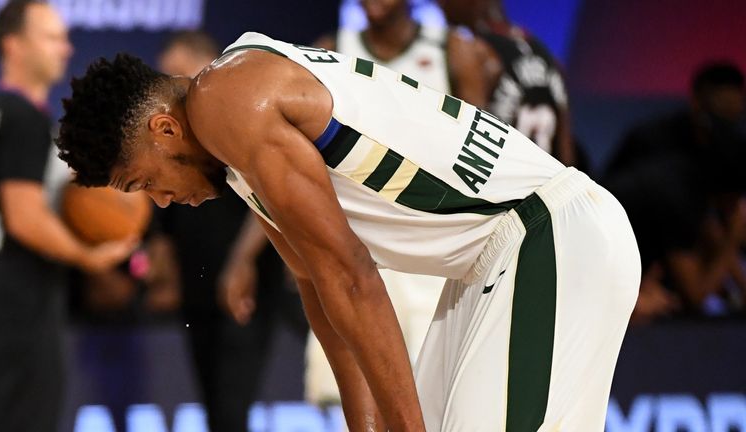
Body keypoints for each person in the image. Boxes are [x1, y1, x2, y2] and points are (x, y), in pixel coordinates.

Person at [56, 32, 641, 431]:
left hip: (544, 233)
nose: (162, 201)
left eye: (141, 183)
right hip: (489, 263)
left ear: (164, 128)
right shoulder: (230, 139)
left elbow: (354, 276)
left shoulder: (225, 100)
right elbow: (316, 282)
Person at [304, 0, 486, 406]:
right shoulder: (333, 48)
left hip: (428, 247)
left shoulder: (451, 49)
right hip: (358, 241)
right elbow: (296, 160)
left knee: (434, 391)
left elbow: (483, 157)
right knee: (348, 391)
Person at [0, 1, 133, 431]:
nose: (66, 49)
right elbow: (24, 217)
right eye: (51, 37)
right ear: (14, 46)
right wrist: (91, 258)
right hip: (16, 302)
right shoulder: (22, 119)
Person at [155, 31, 308, 431]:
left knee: (229, 407)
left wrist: (242, 261)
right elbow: (164, 218)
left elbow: (269, 194)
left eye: (175, 75)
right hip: (196, 284)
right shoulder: (175, 139)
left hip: (247, 281)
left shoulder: (238, 114)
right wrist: (164, 268)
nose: (167, 89)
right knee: (214, 409)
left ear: (207, 67)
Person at [603, 62, 746, 321]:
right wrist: (733, 238)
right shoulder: (668, 173)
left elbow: (705, 227)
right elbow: (694, 297)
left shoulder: (691, 174)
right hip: (601, 271)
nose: (728, 118)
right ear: (697, 102)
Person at [439, 0, 578, 167]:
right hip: (545, 183)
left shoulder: (474, 52)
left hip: (499, 183)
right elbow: (566, 145)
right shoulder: (542, 50)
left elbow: (471, 141)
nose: (440, 4)